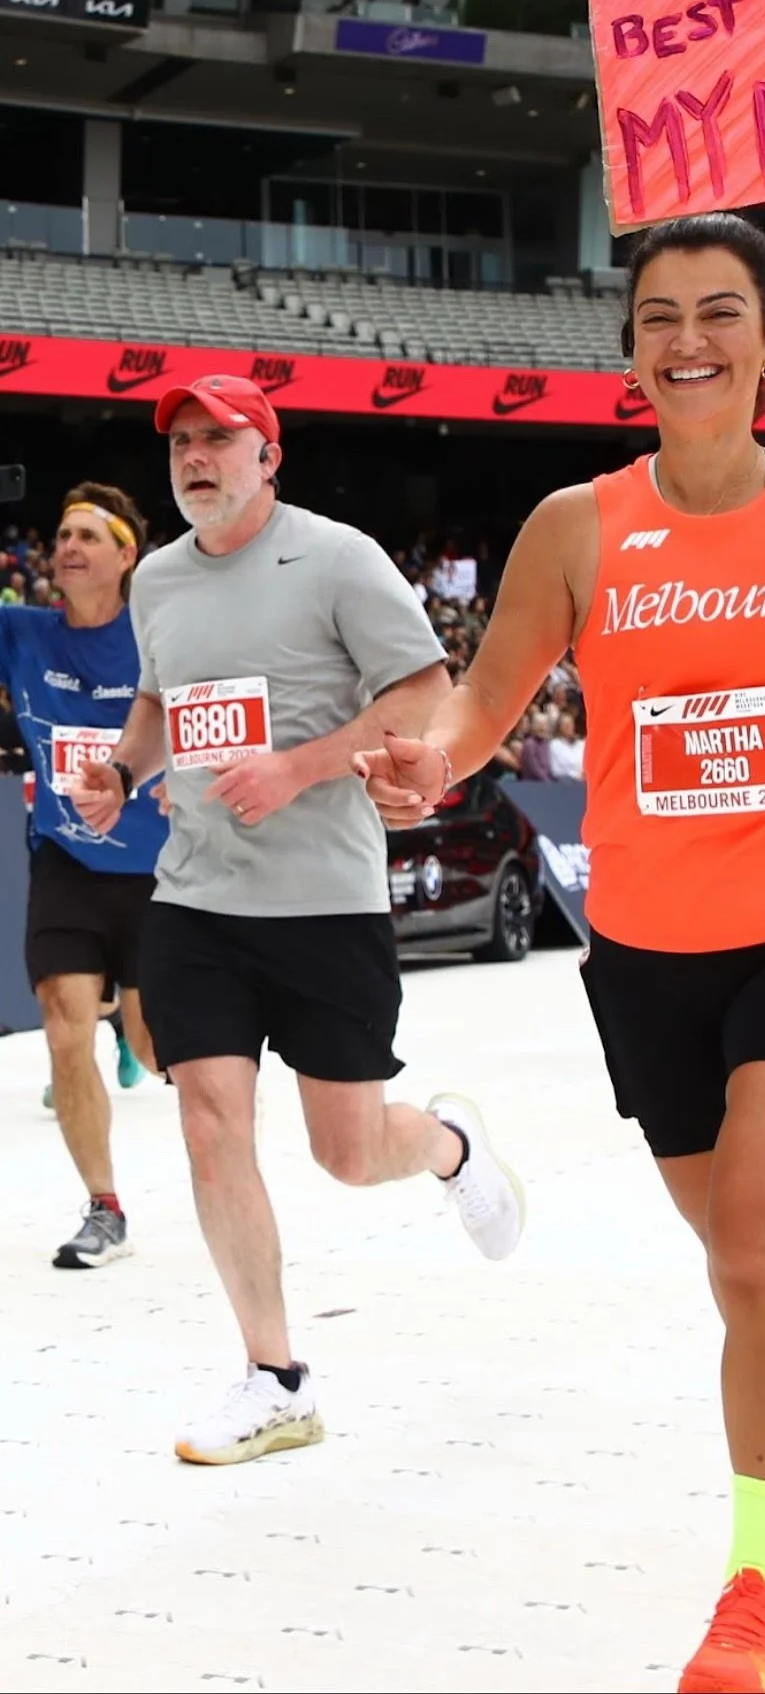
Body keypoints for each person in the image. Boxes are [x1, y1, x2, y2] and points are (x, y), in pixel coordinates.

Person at [354, 213, 765, 1694]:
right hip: (647, 954)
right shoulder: (577, 525)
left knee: (757, 1241)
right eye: (658, 316)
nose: (688, 339)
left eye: (718, 313)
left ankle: (758, 1601)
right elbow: (485, 700)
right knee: (749, 1264)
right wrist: (434, 759)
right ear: (630, 350)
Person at [72, 375, 525, 1467]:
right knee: (208, 1120)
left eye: (217, 439)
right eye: (180, 442)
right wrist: (123, 773)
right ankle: (275, 1378)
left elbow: (424, 691)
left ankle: (450, 1145)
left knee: (349, 1152)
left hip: (324, 901)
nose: (194, 457)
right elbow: (158, 701)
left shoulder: (338, 558)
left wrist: (299, 767)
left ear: (268, 455)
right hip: (196, 897)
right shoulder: (159, 579)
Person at [0, 483, 164, 1268]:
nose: (68, 547)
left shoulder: (161, 638)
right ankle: (104, 1208)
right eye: (62, 535)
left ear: (126, 556)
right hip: (68, 862)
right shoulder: (22, 632)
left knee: (157, 1047)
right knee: (66, 1028)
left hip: (161, 873)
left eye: (88, 536)